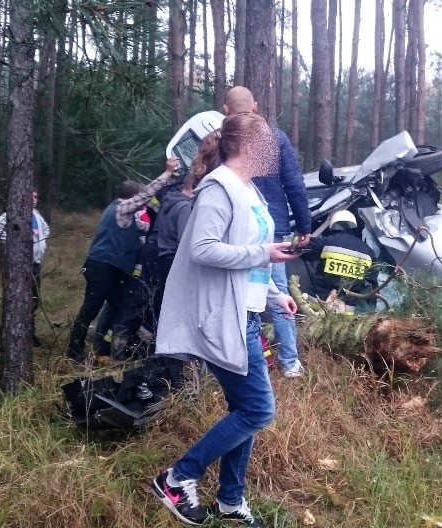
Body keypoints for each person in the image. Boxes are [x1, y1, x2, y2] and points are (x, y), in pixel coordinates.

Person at [150, 112, 299, 527]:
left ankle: (231, 503)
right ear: (248, 147)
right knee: (258, 410)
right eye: (268, 144)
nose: (275, 151)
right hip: (224, 318)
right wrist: (265, 254)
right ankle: (177, 478)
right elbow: (203, 249)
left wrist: (275, 294)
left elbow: (250, 259)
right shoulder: (219, 187)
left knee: (244, 408)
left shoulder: (249, 190)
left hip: (247, 313)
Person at [224, 86, 311, 378]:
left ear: (226, 109)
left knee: (231, 292)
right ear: (256, 106)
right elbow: (294, 184)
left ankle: (233, 361)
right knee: (278, 295)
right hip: (272, 228)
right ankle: (289, 364)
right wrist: (304, 226)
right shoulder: (275, 137)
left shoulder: (221, 138)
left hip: (233, 232)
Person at [66, 158, 179, 364]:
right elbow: (146, 195)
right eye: (137, 198)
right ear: (131, 197)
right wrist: (167, 174)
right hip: (102, 268)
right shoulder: (122, 208)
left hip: (110, 270)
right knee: (90, 309)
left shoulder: (122, 215)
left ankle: (115, 348)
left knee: (122, 306)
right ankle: (74, 352)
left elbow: (141, 229)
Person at [0, 189, 50, 347]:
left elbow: (46, 229)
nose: (34, 199)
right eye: (31, 196)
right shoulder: (14, 213)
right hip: (21, 266)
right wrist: (11, 240)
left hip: (35, 265)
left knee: (34, 301)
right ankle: (13, 335)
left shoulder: (36, 215)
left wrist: (41, 241)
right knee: (18, 301)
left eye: (36, 197)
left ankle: (29, 334)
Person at [300, 210, 377, 314]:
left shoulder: (326, 242)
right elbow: (372, 284)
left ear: (333, 225)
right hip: (347, 308)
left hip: (317, 301)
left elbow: (303, 251)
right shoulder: (368, 252)